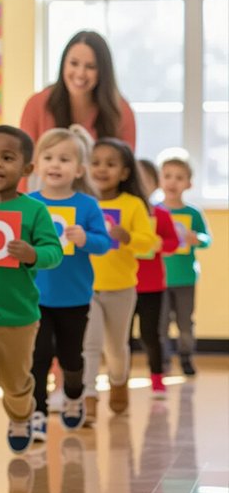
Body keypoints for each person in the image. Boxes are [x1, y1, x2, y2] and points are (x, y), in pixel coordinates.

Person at [0, 125, 63, 474]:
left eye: (7, 158)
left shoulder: (34, 210)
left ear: (26, 169)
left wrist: (33, 253)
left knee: (16, 384)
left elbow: (54, 252)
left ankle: (21, 416)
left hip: (19, 316)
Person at [28, 126, 111, 436]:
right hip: (35, 297)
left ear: (79, 169)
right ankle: (37, 411)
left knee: (71, 357)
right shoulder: (30, 203)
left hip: (74, 297)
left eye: (64, 159)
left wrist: (86, 238)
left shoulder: (87, 205)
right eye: (48, 157)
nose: (55, 164)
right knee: (38, 357)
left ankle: (74, 395)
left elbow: (103, 244)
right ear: (37, 165)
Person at [83, 139, 156, 424]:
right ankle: (89, 398)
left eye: (110, 164)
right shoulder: (83, 203)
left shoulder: (133, 204)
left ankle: (118, 380)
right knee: (90, 345)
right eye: (96, 163)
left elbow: (147, 244)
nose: (102, 169)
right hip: (86, 288)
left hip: (121, 288)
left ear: (124, 172)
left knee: (115, 347)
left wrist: (128, 237)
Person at [20, 31, 136, 191]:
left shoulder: (120, 110)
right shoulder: (37, 104)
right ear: (63, 64)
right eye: (74, 63)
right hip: (45, 199)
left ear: (102, 71)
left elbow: (126, 170)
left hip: (101, 201)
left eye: (90, 67)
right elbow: (24, 166)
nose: (80, 73)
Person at [158, 150, 212, 376]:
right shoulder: (155, 211)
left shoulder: (193, 213)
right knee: (160, 324)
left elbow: (206, 240)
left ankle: (186, 357)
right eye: (168, 176)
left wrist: (196, 238)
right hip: (159, 280)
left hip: (185, 279)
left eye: (179, 177)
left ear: (188, 183)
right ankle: (162, 360)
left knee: (185, 323)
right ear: (160, 180)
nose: (173, 182)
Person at [132, 159, 179, 395]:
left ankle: (157, 377)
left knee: (150, 334)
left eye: (146, 180)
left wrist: (160, 243)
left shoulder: (160, 214)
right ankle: (119, 379)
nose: (140, 185)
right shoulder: (124, 212)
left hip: (151, 286)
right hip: (123, 284)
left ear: (155, 184)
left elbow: (173, 242)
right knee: (121, 337)